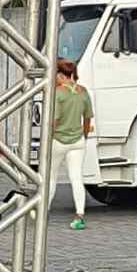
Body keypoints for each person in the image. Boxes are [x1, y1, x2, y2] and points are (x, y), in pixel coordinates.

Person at [50, 59, 94, 231]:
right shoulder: (83, 92)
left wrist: (50, 136)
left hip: (58, 141)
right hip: (78, 141)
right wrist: (83, 135)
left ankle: (42, 211)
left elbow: (54, 120)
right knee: (77, 178)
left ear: (60, 74)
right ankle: (80, 215)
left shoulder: (58, 93)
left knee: (50, 177)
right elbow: (88, 117)